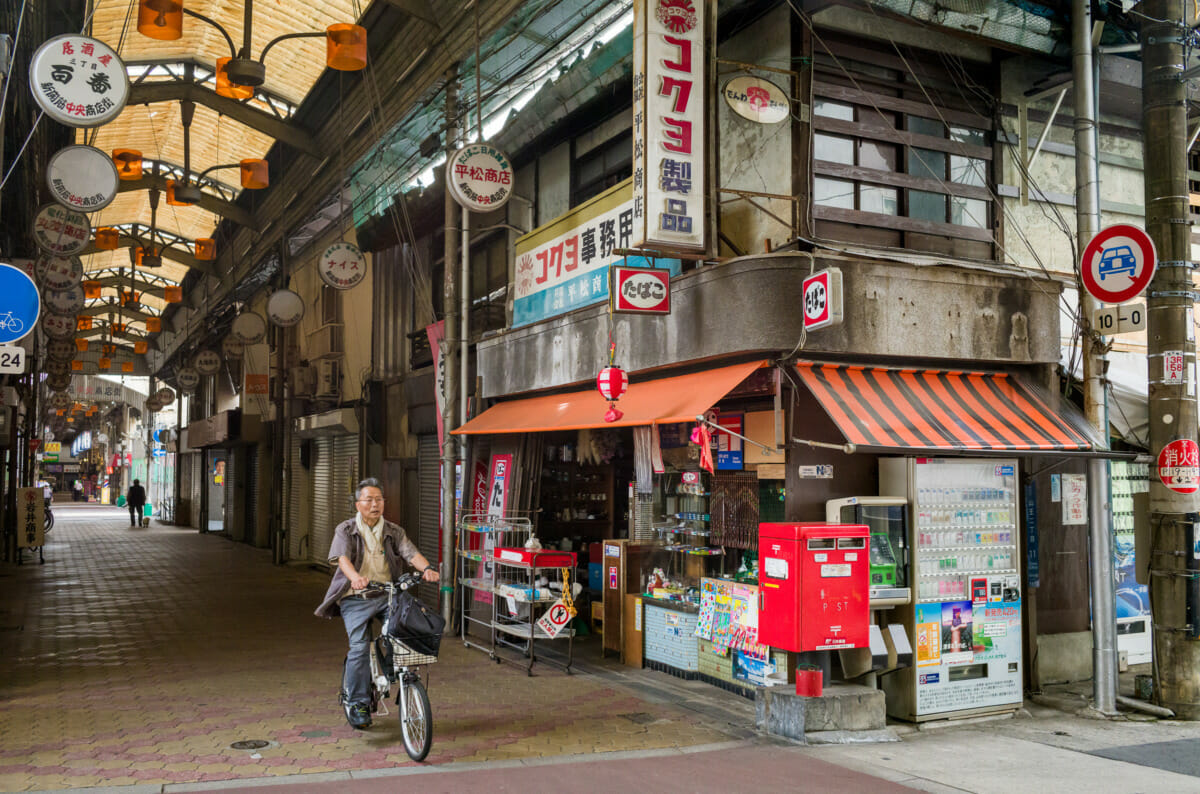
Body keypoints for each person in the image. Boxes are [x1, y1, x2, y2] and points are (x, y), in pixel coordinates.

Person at [314, 477, 439, 729]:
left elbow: (410, 553)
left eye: (379, 500)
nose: (375, 505)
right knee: (359, 648)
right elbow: (342, 559)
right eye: (368, 500)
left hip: (387, 594)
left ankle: (400, 674)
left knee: (406, 630)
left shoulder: (393, 530)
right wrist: (356, 579)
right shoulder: (346, 529)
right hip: (356, 598)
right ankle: (358, 702)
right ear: (358, 504)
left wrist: (427, 569)